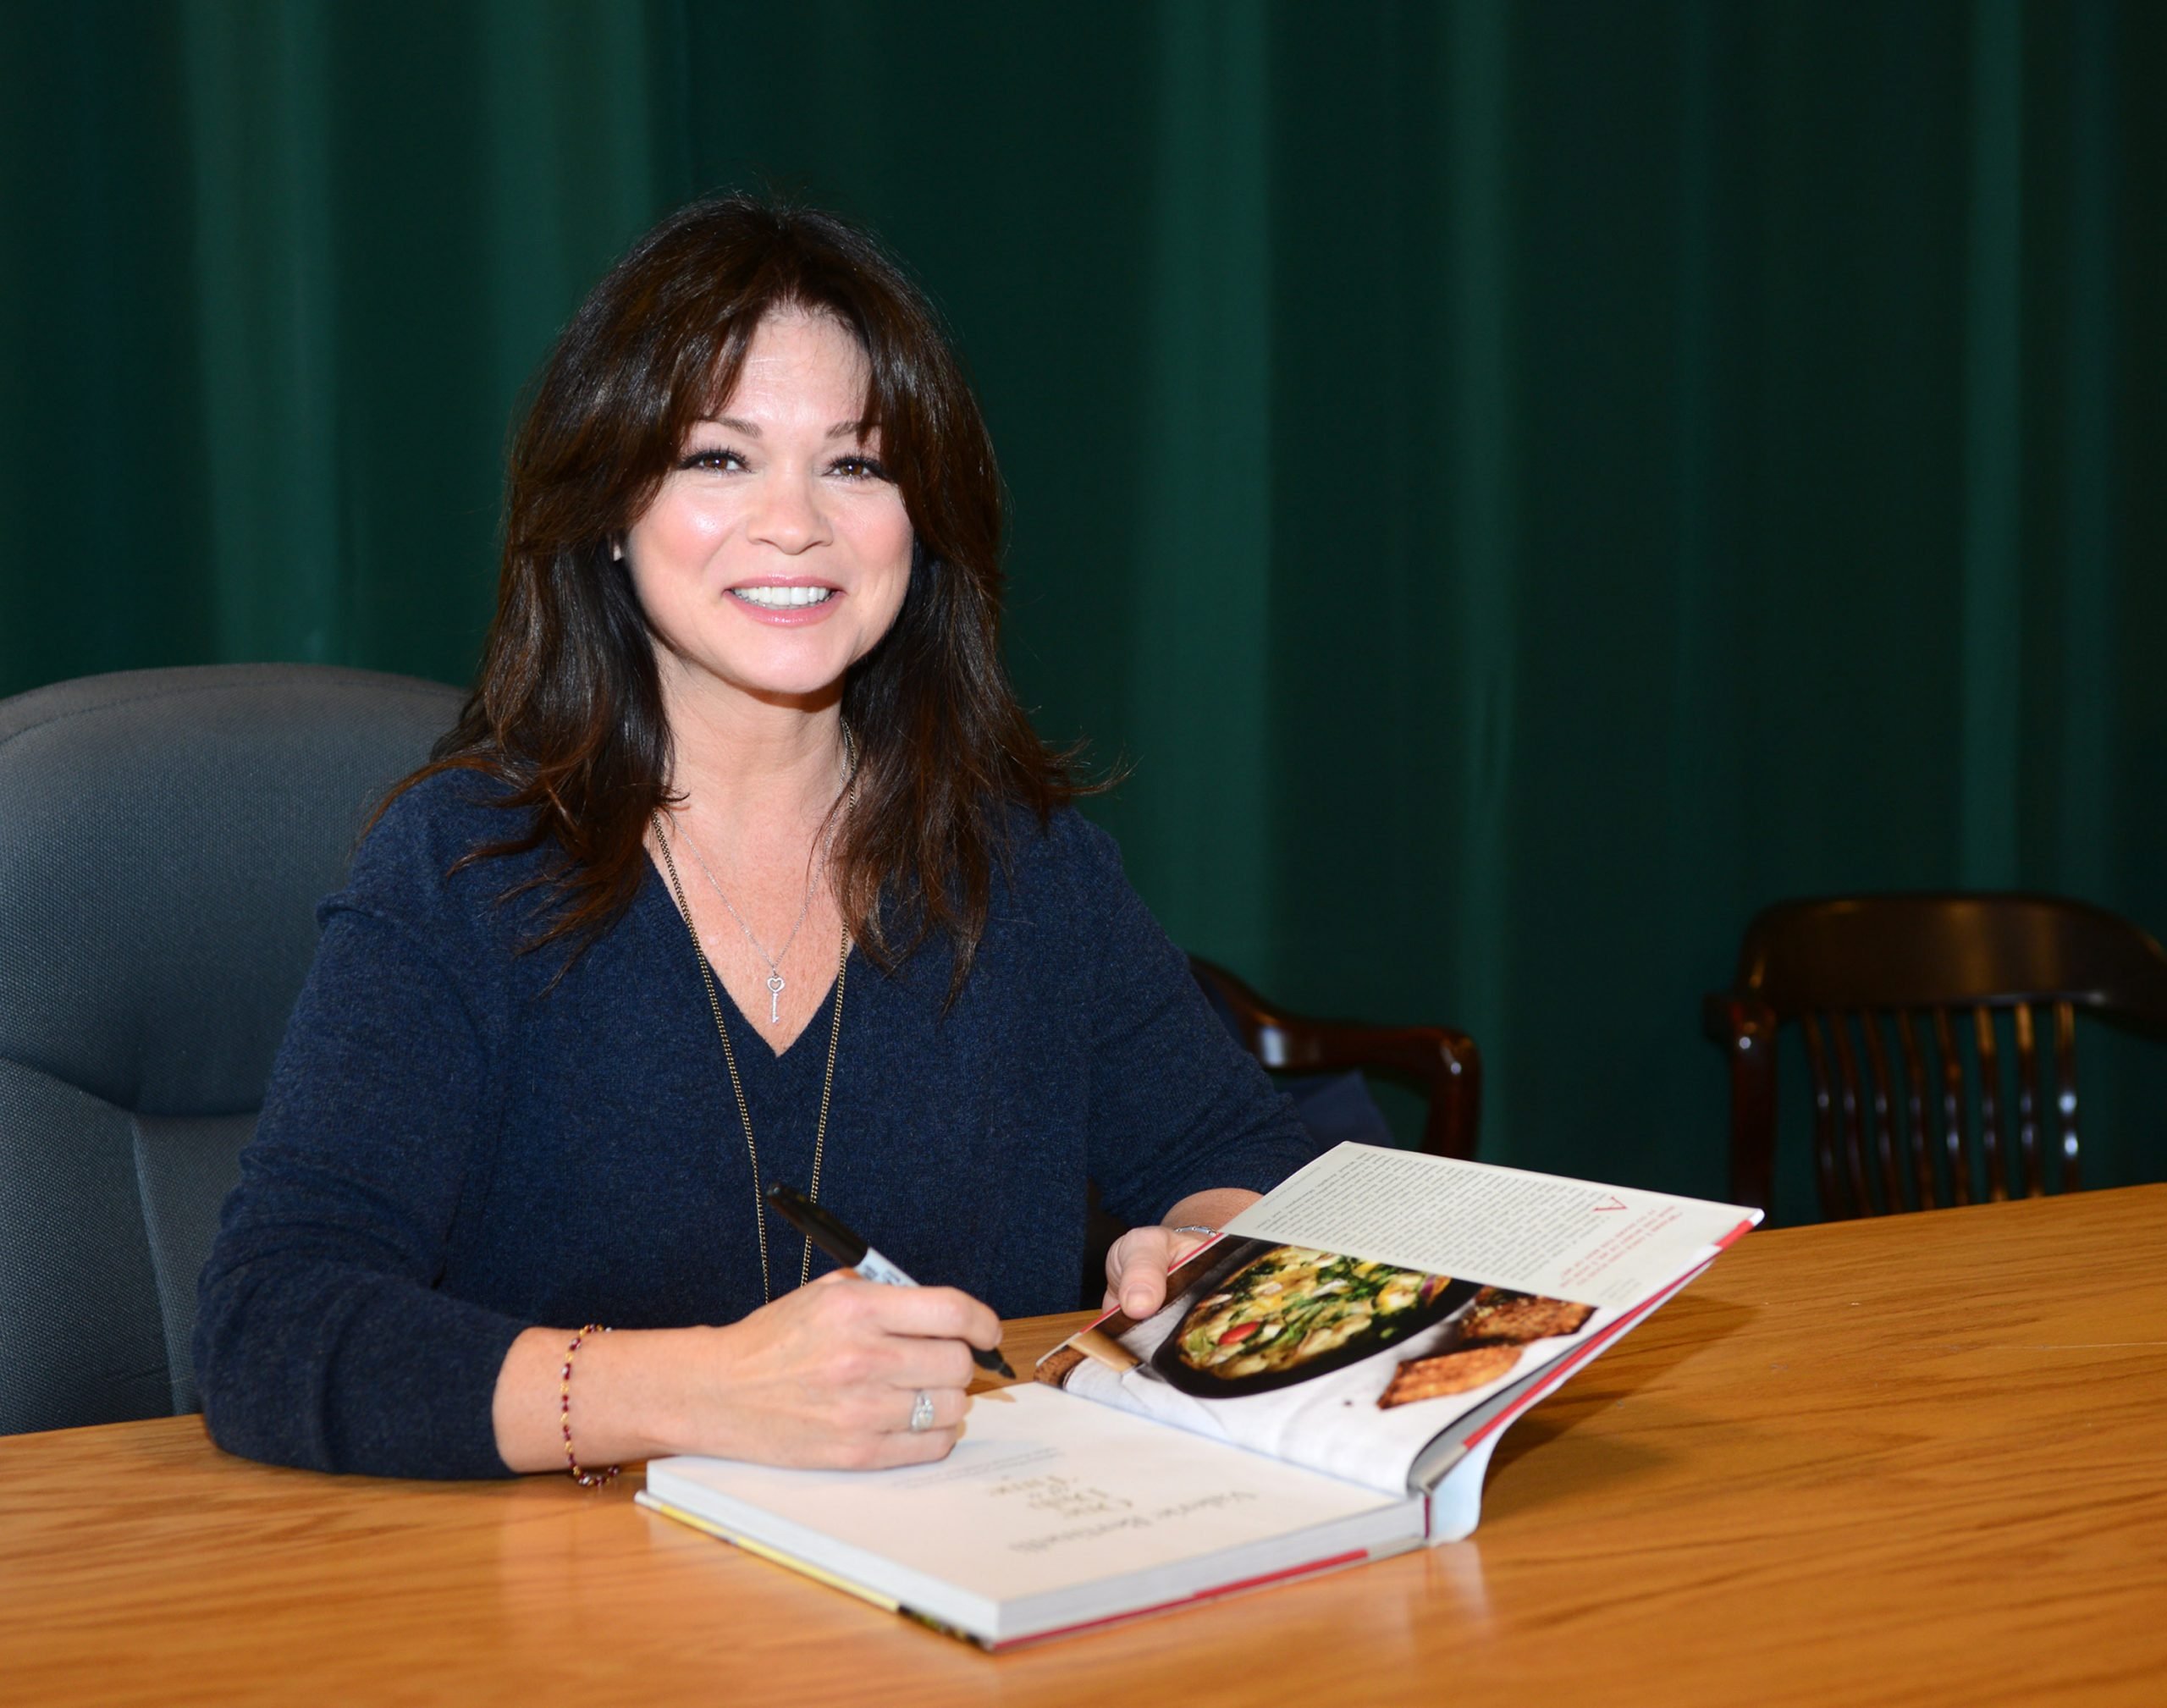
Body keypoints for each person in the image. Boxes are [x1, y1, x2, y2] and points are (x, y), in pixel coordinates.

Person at [194, 196, 1321, 1481]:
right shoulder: (465, 865)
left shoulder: (1023, 862)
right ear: (611, 504)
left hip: (957, 1610)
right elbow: (270, 1321)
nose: (796, 522)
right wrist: (706, 1388)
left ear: (922, 520)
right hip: (566, 1619)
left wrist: (1206, 1246)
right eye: (719, 458)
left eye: (857, 462)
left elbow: (1245, 1159)